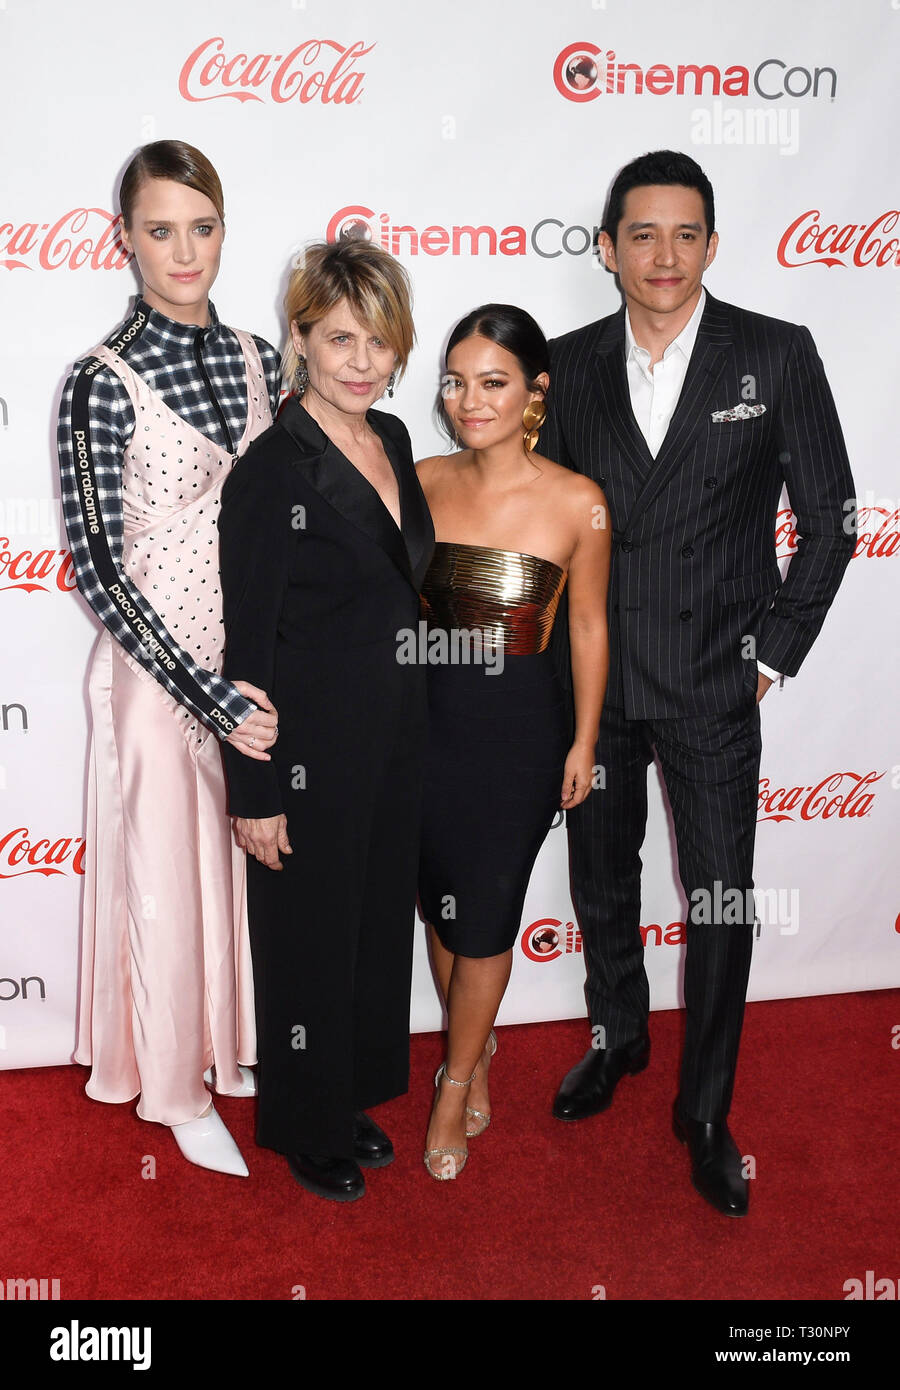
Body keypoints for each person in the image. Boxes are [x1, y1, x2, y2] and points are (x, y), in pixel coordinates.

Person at [541, 150, 855, 1216]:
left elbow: (831, 519)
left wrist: (770, 654)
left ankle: (708, 1109)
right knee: (599, 882)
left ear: (713, 246)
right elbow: (535, 518)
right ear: (608, 247)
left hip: (715, 684)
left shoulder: (776, 352)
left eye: (685, 234)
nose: (663, 255)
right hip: (592, 686)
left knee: (720, 901)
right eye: (642, 234)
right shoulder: (568, 365)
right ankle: (616, 1037)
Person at [57, 140, 282, 1176]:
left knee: (245, 873)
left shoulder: (260, 358)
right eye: (160, 228)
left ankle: (235, 1054)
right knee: (166, 881)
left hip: (254, 671)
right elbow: (97, 570)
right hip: (158, 681)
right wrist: (206, 695)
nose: (184, 249)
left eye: (203, 225)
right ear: (125, 239)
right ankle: (177, 1090)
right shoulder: (95, 383)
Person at [217, 239, 434, 1203]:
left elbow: (405, 587)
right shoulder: (271, 470)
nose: (362, 360)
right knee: (309, 939)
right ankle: (306, 1126)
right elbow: (247, 650)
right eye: (340, 338)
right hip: (307, 752)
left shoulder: (388, 439)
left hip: (396, 739)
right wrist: (255, 790)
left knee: (373, 930)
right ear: (298, 338)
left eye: (379, 341)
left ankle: (347, 1094)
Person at [416, 305, 609, 1180]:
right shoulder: (416, 479)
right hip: (422, 727)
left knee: (488, 915)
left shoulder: (577, 500)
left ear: (534, 391)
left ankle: (454, 1083)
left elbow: (589, 632)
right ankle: (478, 1045)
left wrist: (583, 742)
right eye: (457, 381)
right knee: (444, 906)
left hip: (521, 736)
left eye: (492, 382)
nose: (469, 400)